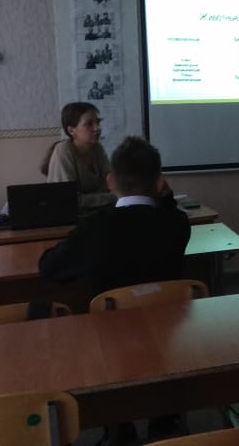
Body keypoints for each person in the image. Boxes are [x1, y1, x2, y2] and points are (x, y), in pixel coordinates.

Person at [39, 136, 190, 443]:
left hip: (109, 347)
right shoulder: (177, 225)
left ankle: (119, 428)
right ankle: (165, 422)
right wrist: (167, 198)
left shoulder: (96, 228)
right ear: (159, 182)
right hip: (166, 341)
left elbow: (50, 269)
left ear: (110, 182)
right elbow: (170, 213)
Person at [40, 102, 115, 209]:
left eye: (98, 122)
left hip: (95, 213)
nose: (97, 128)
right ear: (71, 130)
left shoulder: (98, 148)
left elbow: (110, 186)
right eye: (89, 124)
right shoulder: (63, 150)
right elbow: (68, 199)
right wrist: (113, 197)